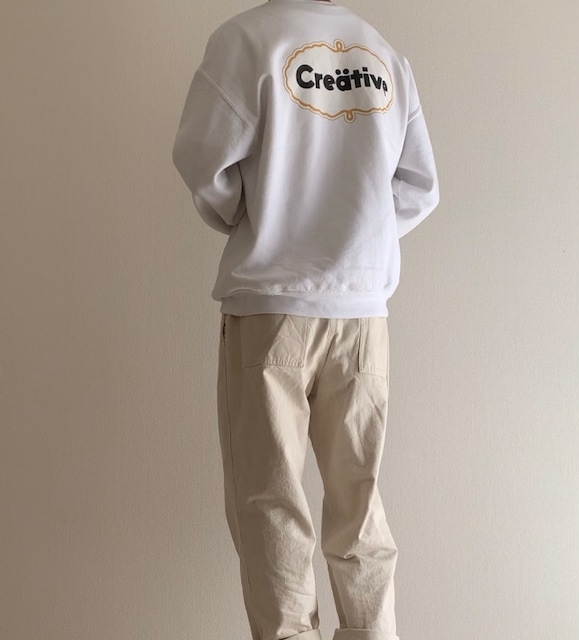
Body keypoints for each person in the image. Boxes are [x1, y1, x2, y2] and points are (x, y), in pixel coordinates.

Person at [172, 1, 439, 639]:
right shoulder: (380, 52)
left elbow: (203, 162)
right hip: (362, 316)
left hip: (271, 307)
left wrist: (256, 215)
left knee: (271, 503)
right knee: (359, 504)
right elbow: (419, 186)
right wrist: (359, 238)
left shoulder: (245, 40)